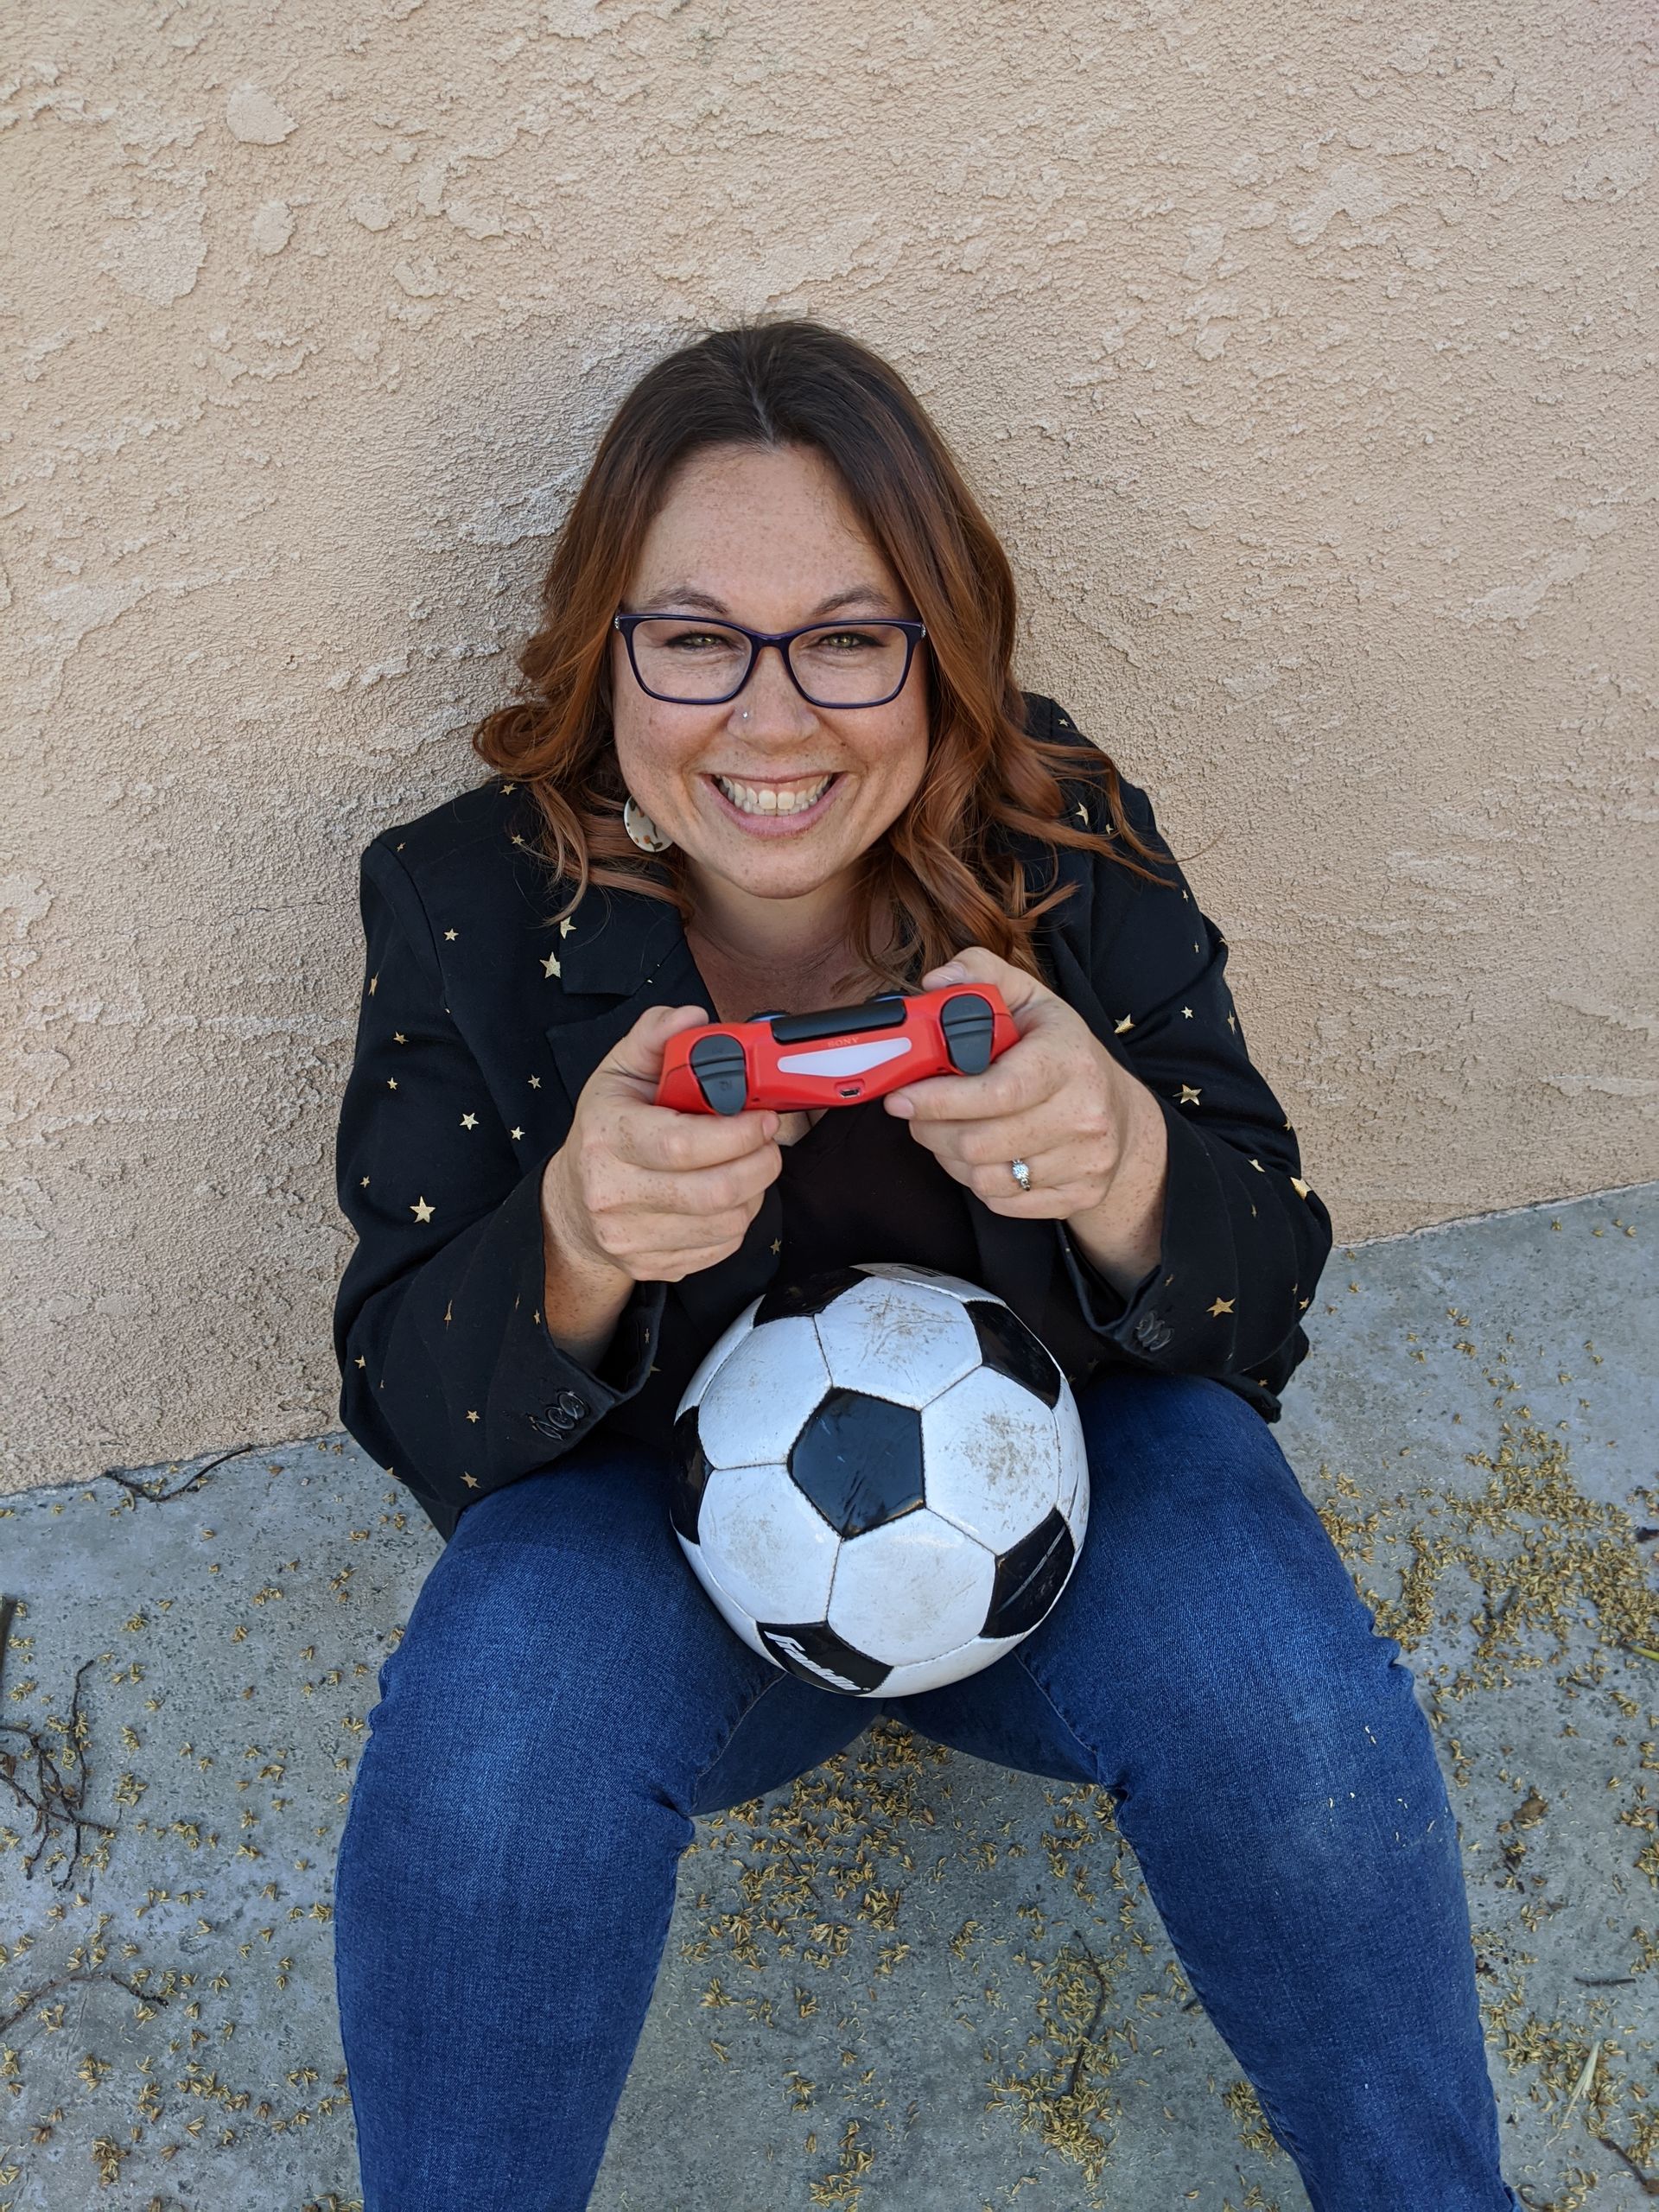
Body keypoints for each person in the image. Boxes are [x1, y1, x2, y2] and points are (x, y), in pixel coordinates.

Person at [328, 318, 1522, 2211]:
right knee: (498, 1721)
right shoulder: (469, 898)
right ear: (602, 650)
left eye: (850, 637)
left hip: (1069, 1535)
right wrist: (573, 1241)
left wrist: (1125, 1161)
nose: (772, 722)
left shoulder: (1059, 831)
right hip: (662, 1577)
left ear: (942, 650)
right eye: (694, 636)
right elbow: (409, 1396)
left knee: (1277, 1676)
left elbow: (1263, 1286)